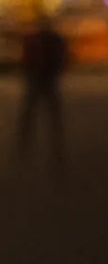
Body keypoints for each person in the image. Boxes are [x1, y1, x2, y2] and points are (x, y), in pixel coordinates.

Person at [17, 12, 67, 165]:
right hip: (46, 78)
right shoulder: (52, 39)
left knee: (32, 111)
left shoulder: (35, 39)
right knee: (49, 111)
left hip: (39, 78)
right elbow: (62, 57)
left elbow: (26, 59)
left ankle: (25, 142)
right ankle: (53, 142)